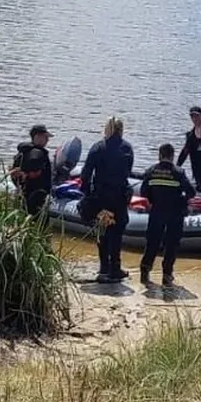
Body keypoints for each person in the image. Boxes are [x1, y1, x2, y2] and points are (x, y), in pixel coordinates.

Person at [81, 116, 135, 283]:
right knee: (117, 232)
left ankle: (104, 267)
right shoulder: (127, 148)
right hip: (119, 197)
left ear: (107, 129)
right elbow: (128, 170)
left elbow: (86, 173)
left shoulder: (98, 147)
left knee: (103, 232)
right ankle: (115, 268)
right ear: (121, 130)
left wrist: (88, 193)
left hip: (101, 197)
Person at [139, 143, 195, 290]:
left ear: (160, 155)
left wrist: (153, 199)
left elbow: (144, 192)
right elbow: (191, 192)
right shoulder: (179, 172)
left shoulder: (150, 171)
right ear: (172, 156)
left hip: (156, 212)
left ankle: (145, 272)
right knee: (171, 244)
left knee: (152, 243)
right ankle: (167, 276)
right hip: (174, 213)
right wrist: (182, 200)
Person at [10, 124, 52, 219]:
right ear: (37, 137)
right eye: (45, 137)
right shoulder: (38, 154)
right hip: (37, 196)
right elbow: (34, 172)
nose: (47, 140)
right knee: (39, 224)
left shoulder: (24, 151)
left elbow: (15, 173)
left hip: (23, 195)